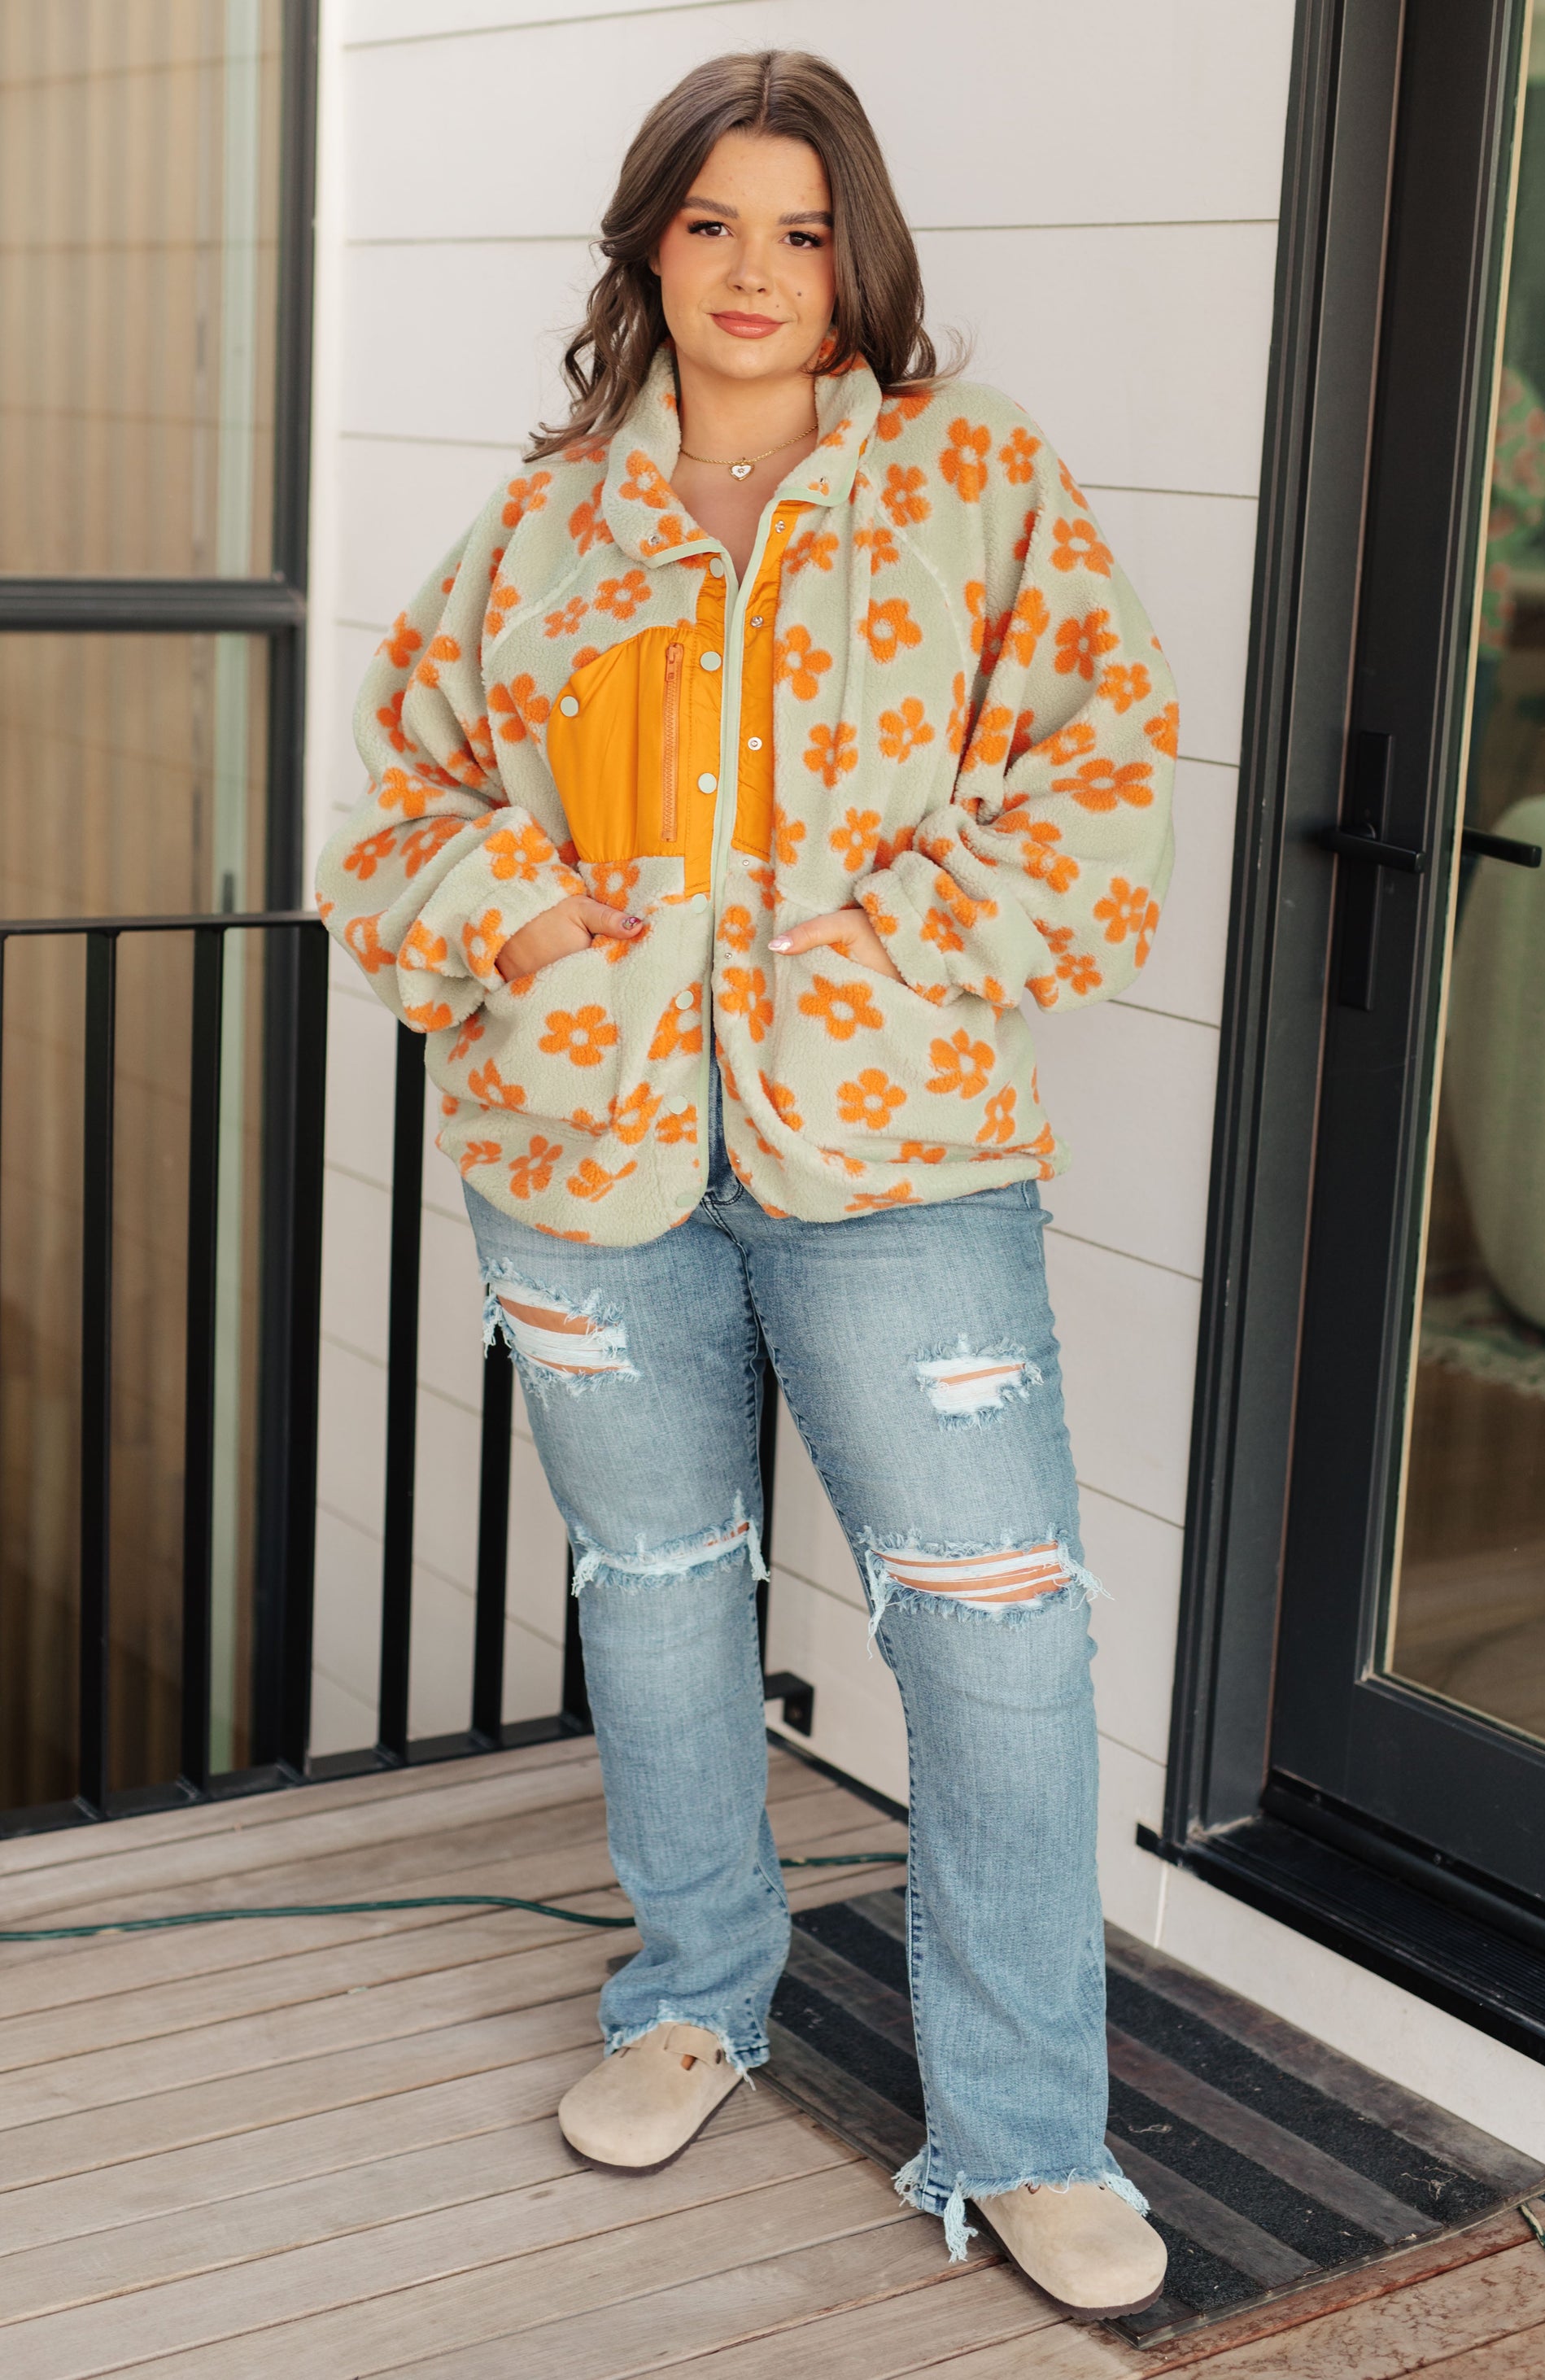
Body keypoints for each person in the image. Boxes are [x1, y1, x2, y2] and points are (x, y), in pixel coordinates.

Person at [317, 48, 1176, 2321]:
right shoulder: (546, 527)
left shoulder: (973, 483)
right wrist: (522, 913)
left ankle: (1025, 2131)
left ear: (856, 255)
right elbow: (394, 812)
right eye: (713, 224)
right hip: (584, 1161)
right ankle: (695, 1995)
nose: (757, 272)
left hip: (897, 1161)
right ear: (651, 246)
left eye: (802, 229)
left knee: (995, 1631)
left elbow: (1099, 791)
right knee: (659, 1592)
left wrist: (868, 946)